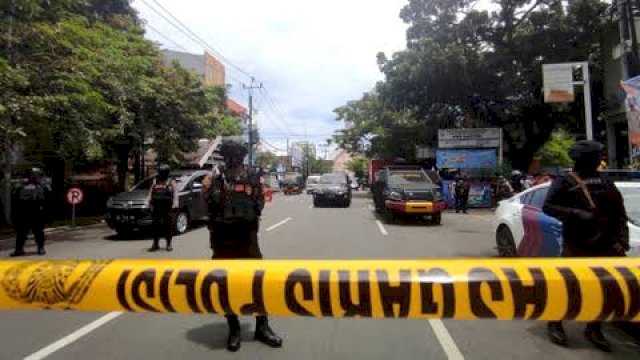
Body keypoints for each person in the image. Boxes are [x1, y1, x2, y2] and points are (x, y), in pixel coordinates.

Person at [542, 140, 628, 352]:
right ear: (583, 159)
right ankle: (555, 322)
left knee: (603, 289)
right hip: (577, 243)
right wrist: (575, 214)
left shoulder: (606, 181)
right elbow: (548, 207)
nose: (600, 159)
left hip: (605, 245)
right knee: (569, 286)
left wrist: (621, 240)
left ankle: (594, 328)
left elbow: (620, 213)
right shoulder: (565, 181)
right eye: (596, 156)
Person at [203, 139, 283, 352]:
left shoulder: (253, 175)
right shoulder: (214, 177)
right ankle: (234, 329)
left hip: (247, 238)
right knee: (226, 285)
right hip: (222, 239)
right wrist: (210, 188)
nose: (233, 159)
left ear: (242, 156)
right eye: (229, 155)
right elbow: (208, 204)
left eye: (236, 155)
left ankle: (262, 326)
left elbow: (260, 202)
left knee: (257, 283)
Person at [10, 168, 51, 256]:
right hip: (26, 212)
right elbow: (15, 197)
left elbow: (47, 197)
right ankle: (19, 249)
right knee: (22, 233)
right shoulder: (22, 185)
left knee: (37, 232)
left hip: (35, 212)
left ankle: (40, 248)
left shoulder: (41, 185)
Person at [145, 164, 178, 252]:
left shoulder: (171, 181)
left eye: (163, 172)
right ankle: (155, 244)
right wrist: (147, 204)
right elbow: (150, 193)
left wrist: (175, 205)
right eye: (160, 172)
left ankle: (169, 244)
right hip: (156, 206)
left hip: (167, 207)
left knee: (168, 226)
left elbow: (175, 194)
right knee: (155, 226)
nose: (161, 174)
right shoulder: (155, 181)